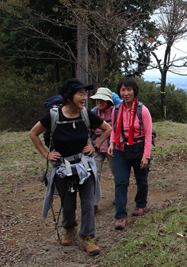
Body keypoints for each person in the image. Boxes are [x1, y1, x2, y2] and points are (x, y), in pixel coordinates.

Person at [29, 78, 112, 256]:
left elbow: (107, 129)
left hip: (84, 165)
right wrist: (46, 154)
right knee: (68, 203)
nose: (84, 97)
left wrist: (94, 146)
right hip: (62, 167)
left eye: (85, 93)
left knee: (88, 203)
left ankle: (87, 237)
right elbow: (33, 133)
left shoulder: (86, 114)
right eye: (80, 94)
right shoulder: (53, 116)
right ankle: (69, 228)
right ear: (69, 97)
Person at [108, 77, 152, 230]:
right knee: (121, 182)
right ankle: (120, 215)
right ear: (119, 91)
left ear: (134, 91)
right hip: (121, 149)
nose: (125, 93)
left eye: (129, 89)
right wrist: (112, 143)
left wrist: (146, 156)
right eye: (122, 89)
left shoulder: (142, 110)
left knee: (141, 180)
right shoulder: (116, 110)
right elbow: (114, 128)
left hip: (138, 149)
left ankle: (140, 203)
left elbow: (148, 134)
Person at [90, 87, 116, 211]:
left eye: (102, 100)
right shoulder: (93, 112)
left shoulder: (115, 112)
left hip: (112, 146)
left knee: (116, 173)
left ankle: (119, 196)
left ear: (108, 101)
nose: (99, 102)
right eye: (97, 100)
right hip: (96, 146)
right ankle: (93, 203)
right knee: (94, 174)